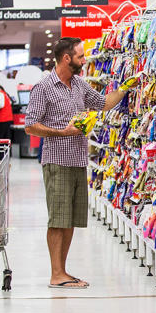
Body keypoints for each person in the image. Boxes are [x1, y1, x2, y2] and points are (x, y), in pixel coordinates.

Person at [25, 37, 126, 288]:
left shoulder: (80, 84)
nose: (84, 60)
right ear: (66, 58)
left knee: (69, 219)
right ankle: (56, 274)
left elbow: (103, 104)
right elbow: (30, 126)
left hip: (78, 159)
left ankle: (63, 271)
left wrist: (126, 88)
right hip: (57, 161)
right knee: (58, 219)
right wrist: (62, 132)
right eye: (80, 56)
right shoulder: (44, 88)